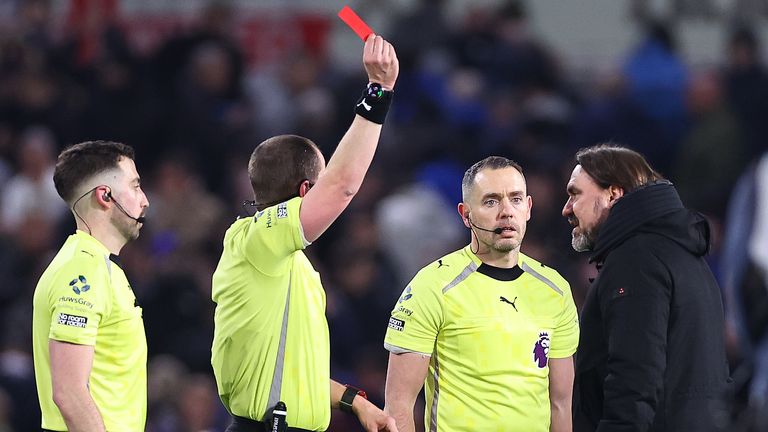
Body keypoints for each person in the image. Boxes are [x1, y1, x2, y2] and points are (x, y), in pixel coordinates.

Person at [211, 34, 399, 432]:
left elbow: (296, 368)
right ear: (304, 193)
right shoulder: (256, 240)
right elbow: (343, 185)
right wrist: (379, 92)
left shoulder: (285, 263)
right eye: (321, 178)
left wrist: (354, 403)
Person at [383, 156, 580, 432]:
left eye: (516, 199)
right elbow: (398, 406)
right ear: (466, 215)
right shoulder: (432, 286)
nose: (506, 211)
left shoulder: (555, 289)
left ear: (528, 208)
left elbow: (560, 403)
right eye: (491, 201)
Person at [562, 144, 729, 431]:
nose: (566, 209)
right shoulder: (681, 253)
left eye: (574, 194)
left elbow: (634, 376)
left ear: (613, 194)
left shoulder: (635, 260)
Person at [31, 140, 150, 431]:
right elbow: (69, 394)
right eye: (135, 186)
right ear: (105, 196)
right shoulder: (83, 272)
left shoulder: (98, 265)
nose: (145, 200)